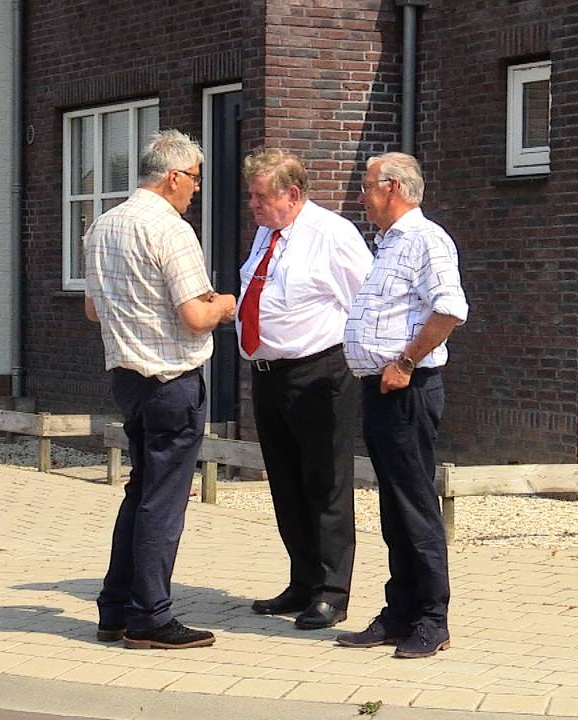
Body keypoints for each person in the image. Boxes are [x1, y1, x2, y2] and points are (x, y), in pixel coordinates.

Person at [83, 129, 237, 650]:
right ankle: (150, 615)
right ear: (173, 177)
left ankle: (115, 609)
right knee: (163, 502)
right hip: (171, 378)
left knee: (139, 491)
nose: (196, 189)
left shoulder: (103, 225)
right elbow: (196, 315)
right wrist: (226, 304)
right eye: (194, 178)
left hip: (125, 378)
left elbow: (91, 308)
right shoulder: (171, 231)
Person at [338, 152, 469, 659]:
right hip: (380, 388)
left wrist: (406, 363)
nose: (362, 196)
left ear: (392, 187)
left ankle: (432, 619)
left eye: (367, 186)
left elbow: (450, 308)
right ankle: (399, 611)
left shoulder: (425, 240)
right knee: (393, 508)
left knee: (414, 507)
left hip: (407, 389)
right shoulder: (388, 244)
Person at [237, 149, 372, 630]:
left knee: (326, 483)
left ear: (292, 194)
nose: (251, 204)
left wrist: (372, 368)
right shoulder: (267, 232)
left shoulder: (332, 234)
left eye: (260, 196)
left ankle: (333, 592)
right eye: (251, 195)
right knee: (286, 482)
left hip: (320, 373)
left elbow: (366, 301)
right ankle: (302, 580)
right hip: (270, 373)